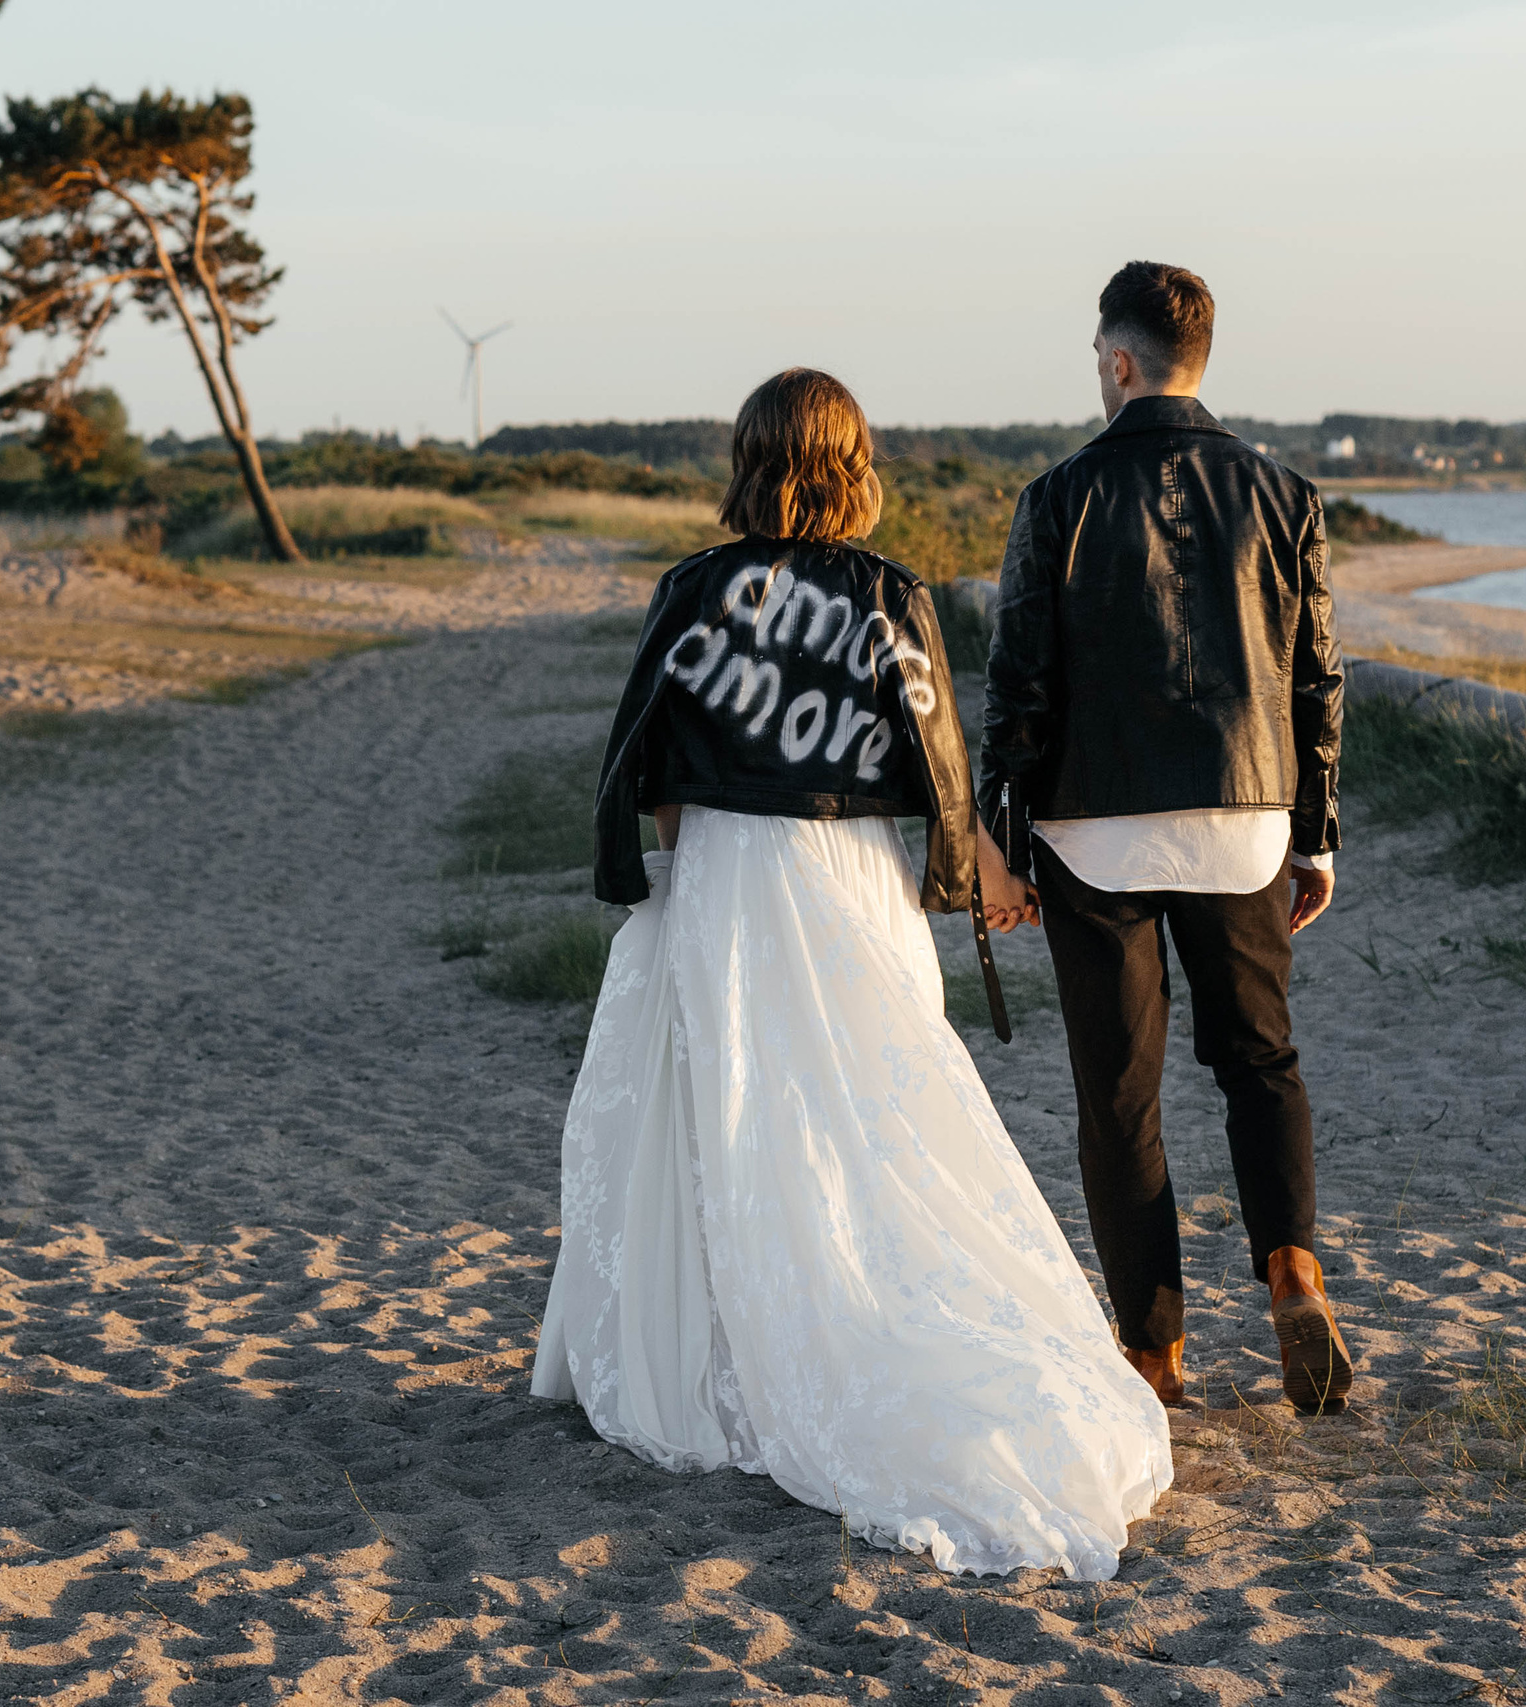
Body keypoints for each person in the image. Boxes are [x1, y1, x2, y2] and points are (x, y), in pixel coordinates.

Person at [532, 368, 1172, 1581]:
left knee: (725, 1108)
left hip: (724, 867)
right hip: (845, 877)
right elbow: (932, 754)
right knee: (874, 1106)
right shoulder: (887, 595)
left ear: (746, 458)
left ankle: (709, 1360)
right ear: (853, 464)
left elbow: (651, 757)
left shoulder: (692, 590)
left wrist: (683, 878)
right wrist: (977, 873)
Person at [976, 261, 1353, 1416]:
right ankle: (1293, 1270)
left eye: (1099, 357)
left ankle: (1153, 1354)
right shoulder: (1283, 493)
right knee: (1259, 1063)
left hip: (1093, 834)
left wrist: (1002, 831)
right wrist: (1315, 835)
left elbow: (1018, 683)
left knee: (1119, 1096)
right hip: (1244, 822)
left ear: (1119, 361)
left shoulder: (1057, 497)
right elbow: (1316, 676)